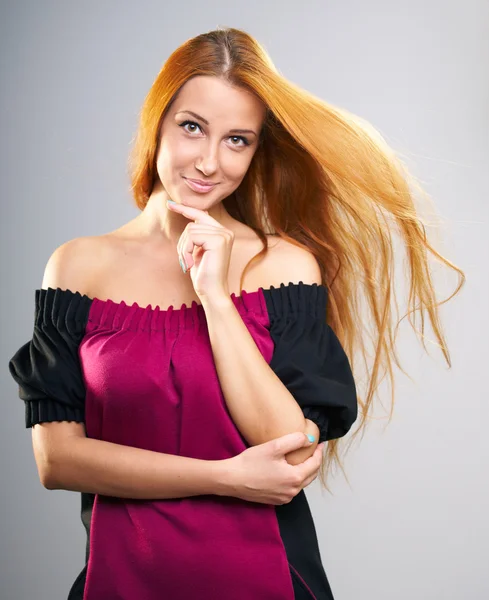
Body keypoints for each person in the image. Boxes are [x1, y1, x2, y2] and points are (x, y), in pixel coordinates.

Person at [8, 26, 464, 600]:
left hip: (268, 581)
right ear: (157, 125)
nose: (209, 162)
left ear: (255, 151)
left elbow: (290, 449)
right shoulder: (77, 266)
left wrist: (215, 297)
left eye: (238, 140)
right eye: (192, 127)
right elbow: (58, 460)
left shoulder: (282, 264)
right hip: (119, 583)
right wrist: (223, 477)